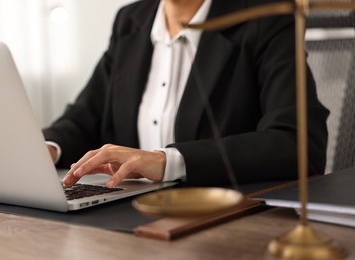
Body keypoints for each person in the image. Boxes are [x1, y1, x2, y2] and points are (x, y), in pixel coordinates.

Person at [43, 0, 329, 189]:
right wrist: (44, 149)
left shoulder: (264, 17)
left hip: (224, 219)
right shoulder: (131, 19)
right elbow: (84, 119)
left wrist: (168, 161)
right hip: (128, 216)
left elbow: (298, 143)